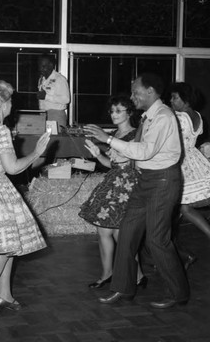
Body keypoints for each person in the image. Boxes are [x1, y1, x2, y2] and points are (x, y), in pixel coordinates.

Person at [84, 72, 189, 309]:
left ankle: (178, 293)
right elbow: (133, 154)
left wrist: (108, 140)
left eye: (136, 92)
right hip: (145, 180)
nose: (133, 97)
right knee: (128, 233)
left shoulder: (163, 116)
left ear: (150, 92)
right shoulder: (147, 117)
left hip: (162, 181)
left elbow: (144, 151)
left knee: (156, 240)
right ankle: (123, 288)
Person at [0, 79, 50, 316]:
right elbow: (13, 168)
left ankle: (5, 295)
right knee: (4, 249)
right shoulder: (1, 129)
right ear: (3, 103)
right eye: (10, 99)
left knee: (8, 245)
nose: (12, 104)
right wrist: (37, 152)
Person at [78, 95, 146, 289]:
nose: (113, 114)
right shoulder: (114, 134)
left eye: (118, 111)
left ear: (129, 113)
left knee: (120, 234)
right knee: (103, 231)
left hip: (127, 186)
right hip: (113, 184)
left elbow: (132, 163)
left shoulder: (135, 135)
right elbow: (112, 164)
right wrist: (98, 155)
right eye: (112, 111)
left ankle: (137, 275)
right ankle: (109, 273)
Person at [168, 82, 210, 261]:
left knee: (176, 208)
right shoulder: (197, 116)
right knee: (182, 208)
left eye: (175, 97)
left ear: (186, 99)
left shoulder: (179, 117)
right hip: (193, 160)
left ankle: (172, 252)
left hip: (179, 162)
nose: (171, 101)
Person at [37, 54, 70, 129]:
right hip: (43, 114)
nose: (40, 69)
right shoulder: (41, 79)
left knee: (56, 139)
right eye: (39, 66)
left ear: (51, 65)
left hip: (56, 115)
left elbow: (66, 99)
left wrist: (46, 96)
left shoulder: (60, 79)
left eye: (43, 66)